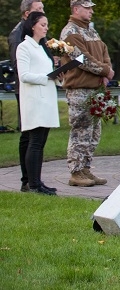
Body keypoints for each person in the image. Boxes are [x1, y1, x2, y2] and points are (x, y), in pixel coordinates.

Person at [61, 0, 115, 187]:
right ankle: (76, 172)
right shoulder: (70, 32)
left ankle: (86, 169)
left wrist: (106, 70)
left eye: (91, 8)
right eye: (87, 8)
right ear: (76, 9)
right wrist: (105, 70)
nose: (91, 11)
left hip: (95, 88)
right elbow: (82, 59)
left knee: (93, 132)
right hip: (79, 89)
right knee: (80, 131)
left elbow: (104, 51)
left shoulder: (90, 31)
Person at [15, 11, 59, 194]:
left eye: (47, 25)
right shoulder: (24, 47)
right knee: (34, 142)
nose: (46, 28)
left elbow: (47, 72)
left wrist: (57, 75)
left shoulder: (42, 47)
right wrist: (46, 77)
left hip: (47, 98)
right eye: (43, 25)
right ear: (32, 25)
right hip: (34, 99)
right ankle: (32, 185)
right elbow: (24, 75)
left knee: (40, 143)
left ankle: (37, 181)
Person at [8, 0, 44, 192]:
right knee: (29, 136)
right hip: (26, 90)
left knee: (33, 136)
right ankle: (27, 180)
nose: (42, 13)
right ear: (27, 13)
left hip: (38, 88)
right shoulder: (18, 35)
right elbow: (19, 67)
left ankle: (32, 179)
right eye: (39, 9)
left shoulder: (36, 32)